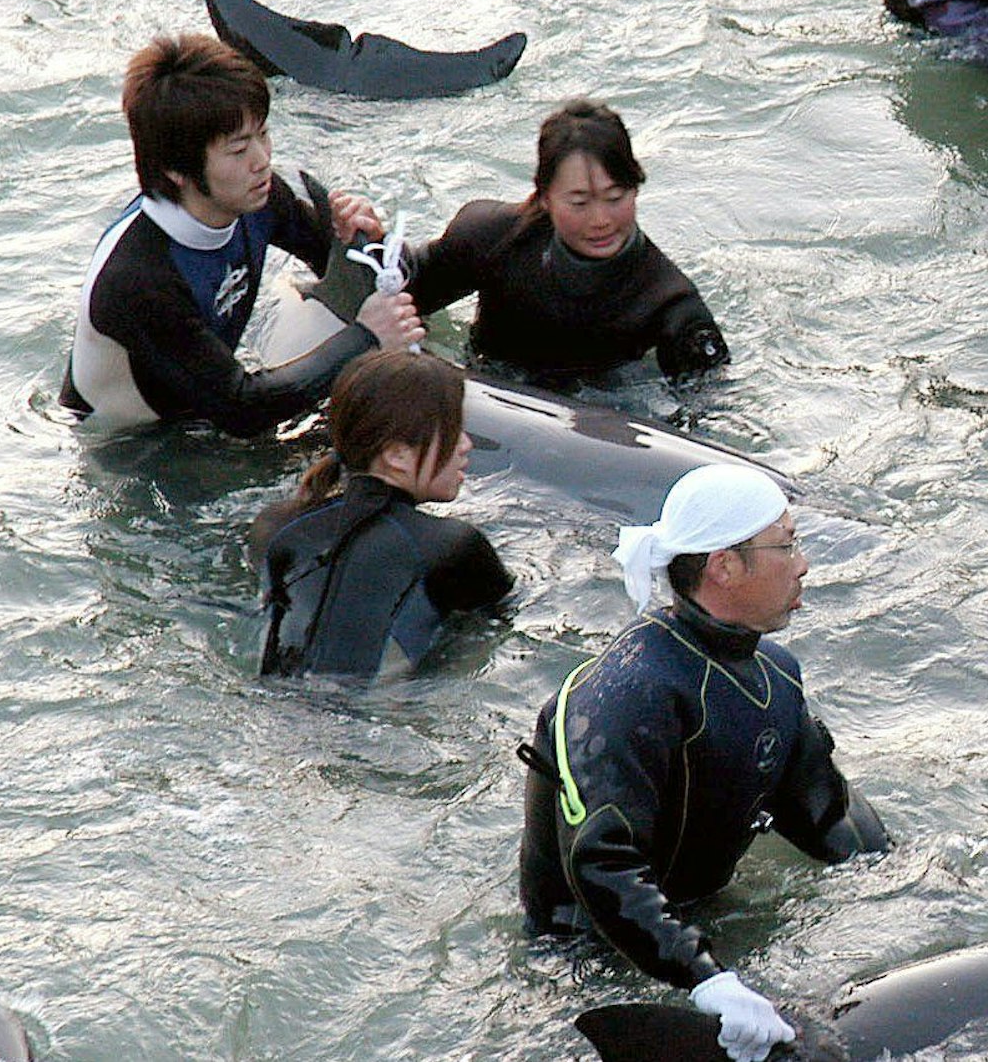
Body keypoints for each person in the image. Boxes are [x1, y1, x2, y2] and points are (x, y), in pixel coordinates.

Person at [516, 464, 887, 1062]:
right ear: (724, 565)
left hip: (703, 928)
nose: (804, 563)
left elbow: (825, 814)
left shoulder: (774, 675)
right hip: (586, 964)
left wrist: (913, 889)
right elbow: (601, 860)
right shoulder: (629, 690)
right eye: (787, 544)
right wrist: (706, 979)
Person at [61, 34, 425, 437]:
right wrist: (366, 337)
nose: (262, 160)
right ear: (176, 170)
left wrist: (357, 238)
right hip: (134, 448)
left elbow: (336, 264)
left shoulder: (255, 196)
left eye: (263, 134)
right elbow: (243, 409)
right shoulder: (137, 280)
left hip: (209, 402)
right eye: (238, 150)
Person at [402, 99, 728, 383]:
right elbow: (398, 291)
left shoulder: (669, 303)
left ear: (636, 188)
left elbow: (708, 415)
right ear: (545, 197)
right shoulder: (488, 239)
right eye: (579, 202)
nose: (601, 220)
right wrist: (369, 237)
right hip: (488, 390)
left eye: (615, 197)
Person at [251, 350, 512, 678]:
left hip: (270, 708)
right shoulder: (451, 546)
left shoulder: (274, 527)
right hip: (365, 722)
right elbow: (495, 633)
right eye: (453, 429)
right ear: (398, 456)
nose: (465, 445)